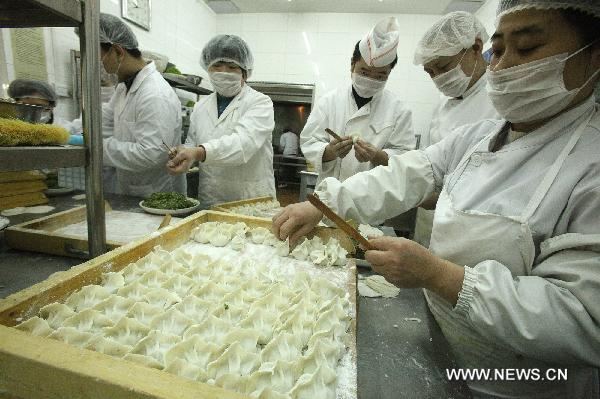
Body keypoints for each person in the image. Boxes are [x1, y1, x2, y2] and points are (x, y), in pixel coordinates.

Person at [273, 1, 600, 397]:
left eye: (528, 49)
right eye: (497, 51)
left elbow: (584, 320)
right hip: (441, 343)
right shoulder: (478, 135)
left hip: (518, 384)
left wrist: (440, 276)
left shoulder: (590, 162)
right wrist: (325, 203)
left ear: (593, 53)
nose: (503, 66)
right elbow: (406, 173)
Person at [412, 11, 500, 248]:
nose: (438, 79)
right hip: (429, 227)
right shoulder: (442, 105)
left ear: (475, 48)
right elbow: (433, 163)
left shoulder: (500, 101)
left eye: (443, 67)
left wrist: (442, 198)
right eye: (430, 73)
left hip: (469, 233)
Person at [300, 17, 414, 185]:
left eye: (380, 76)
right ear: (352, 65)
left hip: (373, 201)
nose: (371, 80)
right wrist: (330, 151)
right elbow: (309, 142)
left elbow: (405, 157)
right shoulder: (329, 102)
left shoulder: (399, 110)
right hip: (330, 195)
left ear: (389, 73)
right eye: (365, 73)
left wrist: (376, 155)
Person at [167, 35, 276, 208]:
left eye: (232, 67)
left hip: (250, 200)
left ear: (245, 73)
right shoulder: (201, 106)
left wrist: (198, 153)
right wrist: (183, 153)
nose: (223, 72)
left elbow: (242, 145)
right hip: (211, 198)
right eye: (217, 65)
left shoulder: (260, 102)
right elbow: (192, 144)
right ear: (208, 68)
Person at [96, 13, 185, 197]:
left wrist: (97, 147)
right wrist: (67, 134)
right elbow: (104, 122)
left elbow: (151, 153)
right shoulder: (123, 87)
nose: (99, 66)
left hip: (157, 193)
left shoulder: (155, 94)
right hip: (131, 190)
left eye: (99, 59)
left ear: (119, 52)